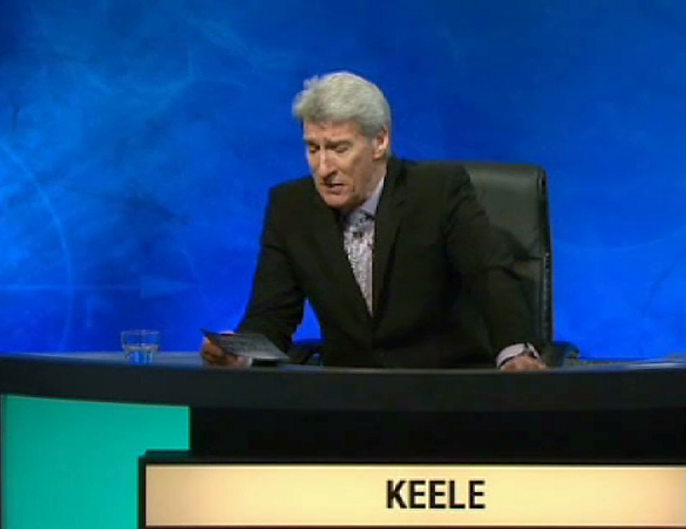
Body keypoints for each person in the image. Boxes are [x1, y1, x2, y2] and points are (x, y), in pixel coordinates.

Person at [201, 72, 545, 371]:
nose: (323, 168)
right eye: (313, 149)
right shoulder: (291, 207)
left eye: (339, 148)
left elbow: (490, 275)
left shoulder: (438, 192)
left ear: (380, 141)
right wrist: (240, 352)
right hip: (348, 397)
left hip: (441, 388)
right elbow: (272, 314)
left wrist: (514, 351)